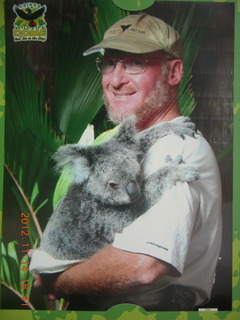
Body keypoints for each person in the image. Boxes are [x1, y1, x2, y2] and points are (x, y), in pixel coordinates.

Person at [32, 13, 222, 311]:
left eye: (135, 63)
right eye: (110, 63)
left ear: (173, 73)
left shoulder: (176, 147)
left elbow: (141, 266)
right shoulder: (122, 142)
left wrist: (59, 281)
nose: (116, 80)